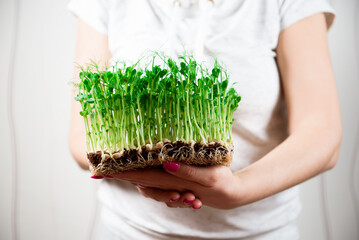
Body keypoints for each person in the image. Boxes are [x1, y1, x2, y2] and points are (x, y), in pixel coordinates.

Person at [67, 0, 342, 239]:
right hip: (129, 231)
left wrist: (238, 189)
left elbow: (322, 134)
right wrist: (136, 170)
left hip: (259, 233)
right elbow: (82, 136)